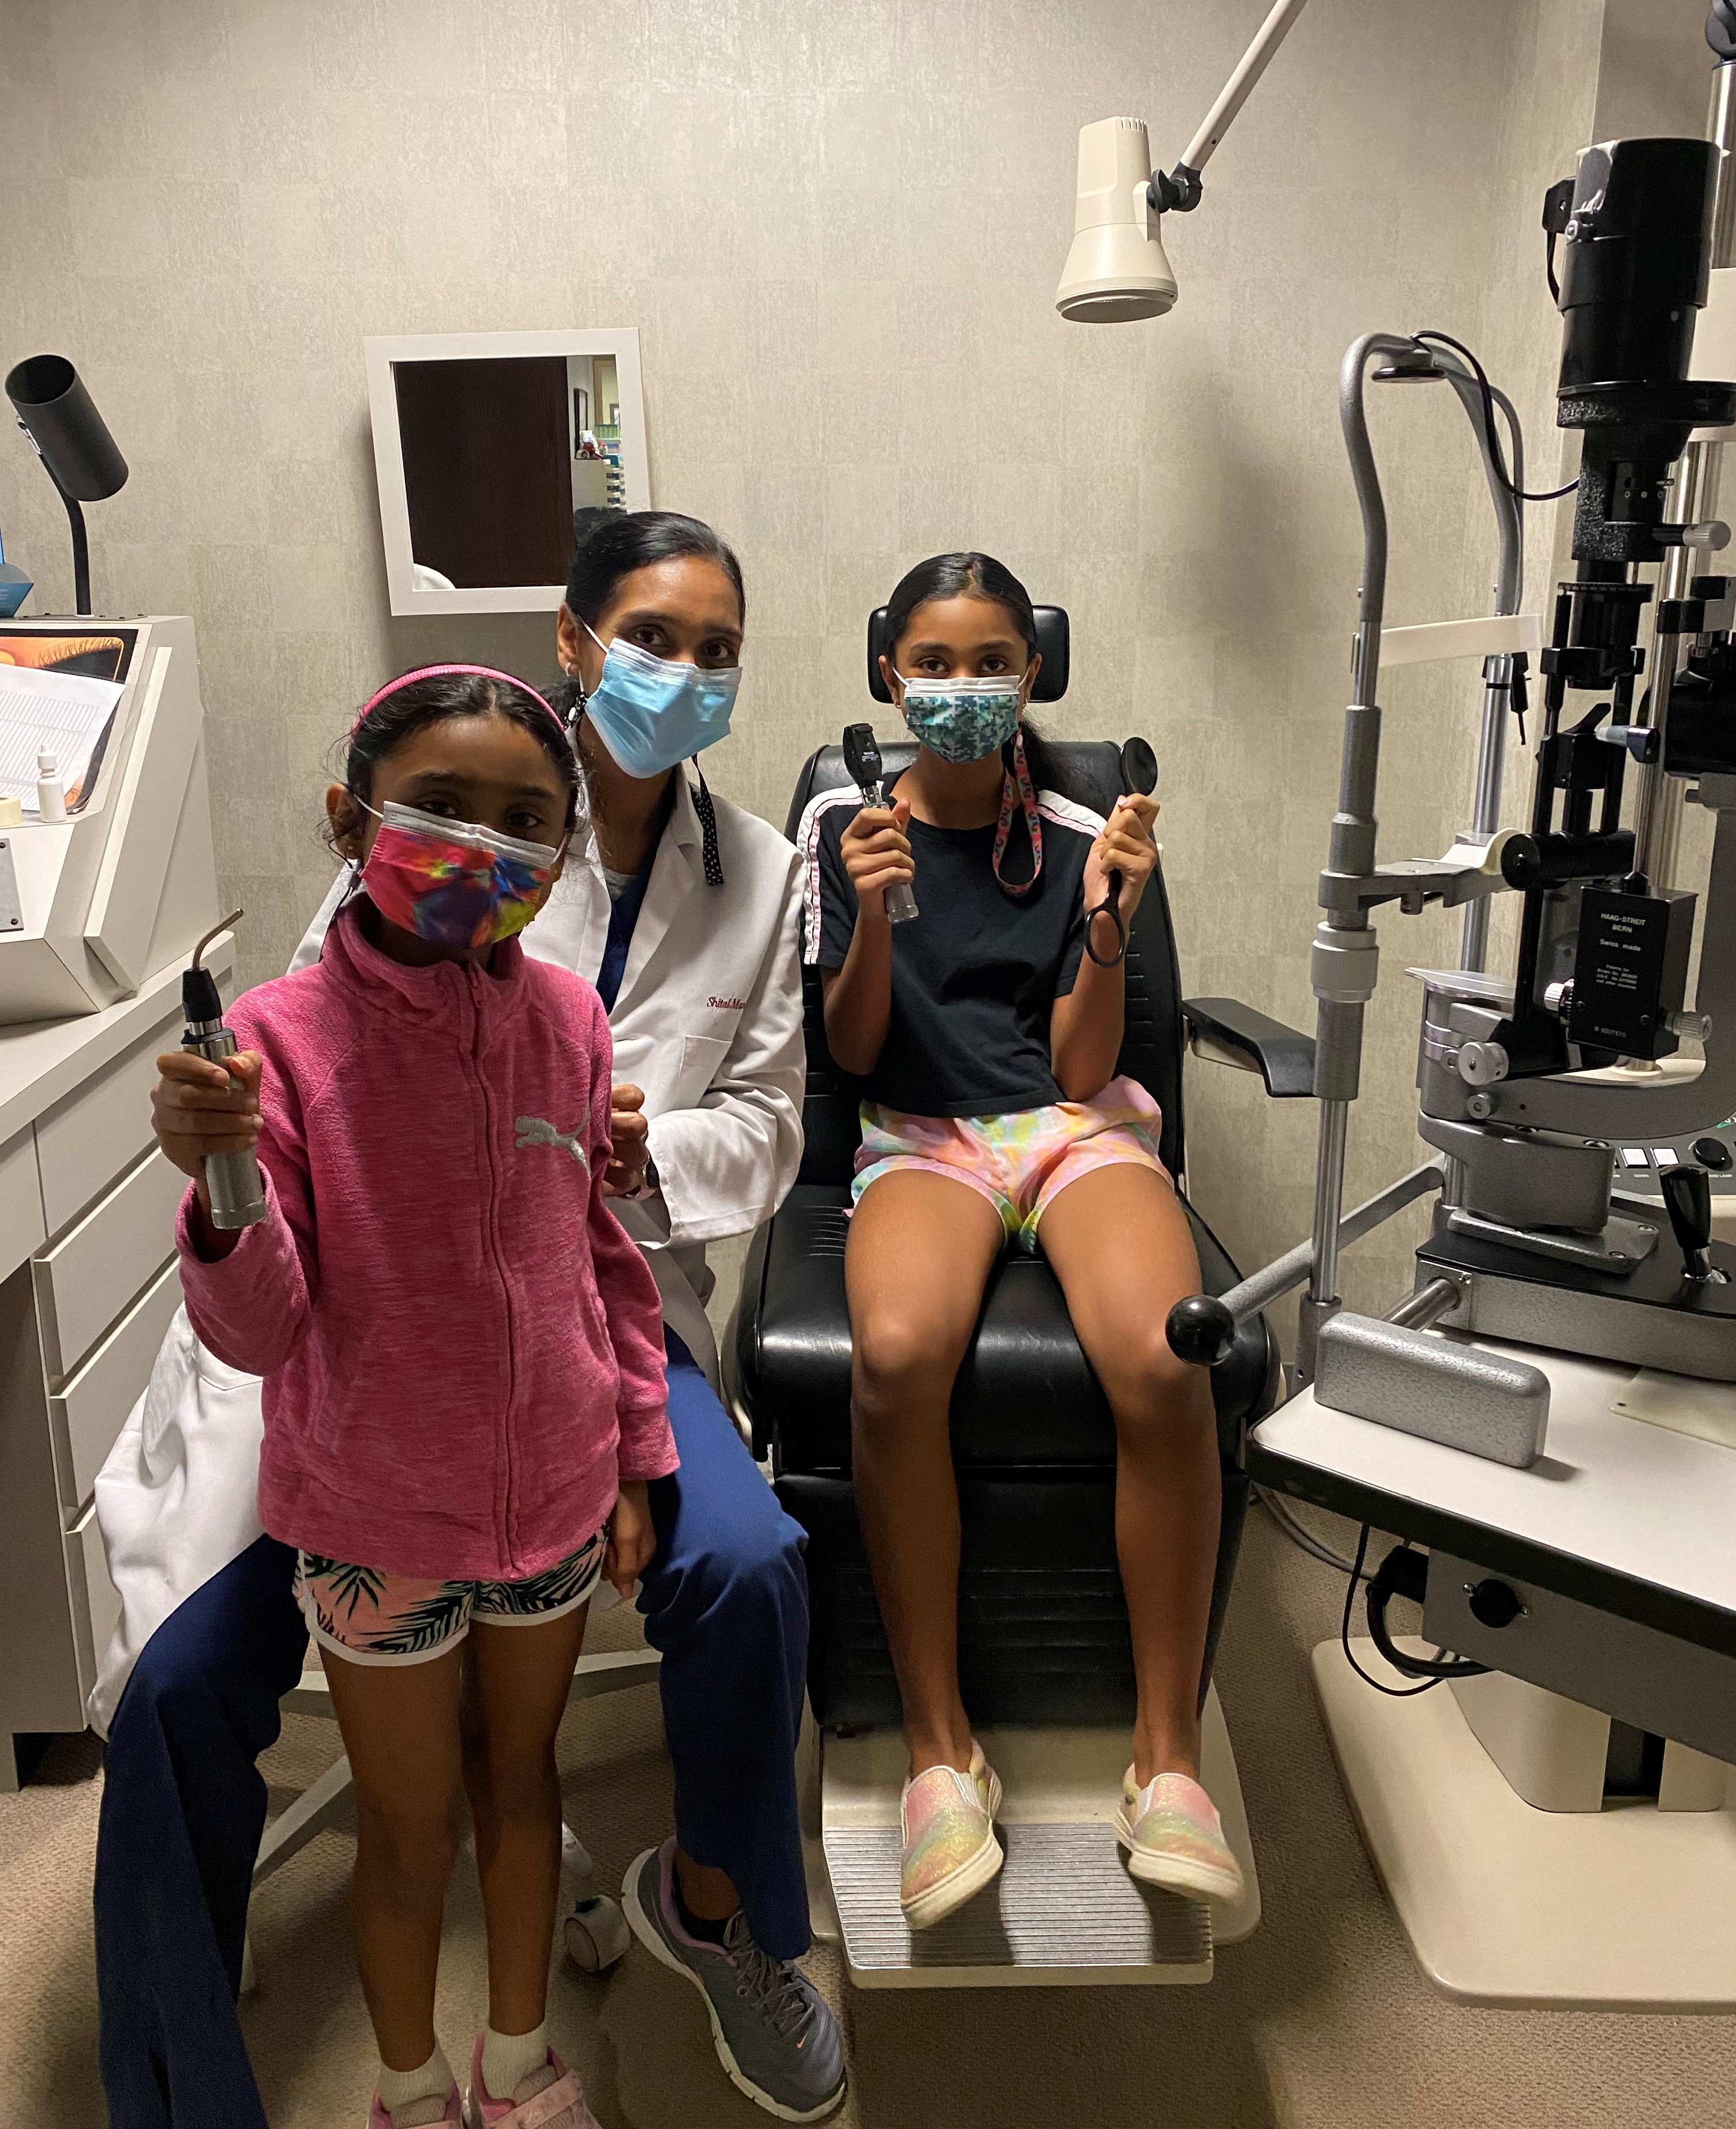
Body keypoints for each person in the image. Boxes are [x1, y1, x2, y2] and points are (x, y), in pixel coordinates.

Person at [92, 512, 845, 2127]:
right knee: (179, 1677)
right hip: (351, 1354)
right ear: (573, 641)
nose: (686, 670)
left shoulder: (762, 877)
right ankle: (182, 2084)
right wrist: (221, 1171)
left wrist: (654, 1153)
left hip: (589, 1329)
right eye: (654, 633)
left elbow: (773, 1125)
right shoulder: (421, 840)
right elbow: (300, 1120)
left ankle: (718, 1913)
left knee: (753, 1562)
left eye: (719, 649)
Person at [152, 664, 670, 2129]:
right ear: (349, 819)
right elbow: (259, 1336)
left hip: (555, 1496)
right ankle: (403, 2088)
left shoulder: (569, 1023)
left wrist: (633, 1451)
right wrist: (222, 1187)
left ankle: (516, 2062)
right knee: (404, 1823)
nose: (484, 850)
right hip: (376, 1515)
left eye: (526, 823)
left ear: (564, 856)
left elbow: (597, 1256)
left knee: (525, 1788)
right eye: (440, 809)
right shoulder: (279, 1042)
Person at [800, 550, 1245, 1930]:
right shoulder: (846, 827)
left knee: (1167, 1364)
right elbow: (858, 1048)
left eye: (987, 662)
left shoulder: (1068, 830)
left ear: (1032, 672)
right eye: (929, 665)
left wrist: (1107, 922)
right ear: (887, 671)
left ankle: (1165, 1763)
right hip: (921, 1134)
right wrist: (867, 912)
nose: (957, 689)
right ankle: (941, 1755)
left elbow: (1075, 1067)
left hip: (1068, 1124)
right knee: (892, 1353)